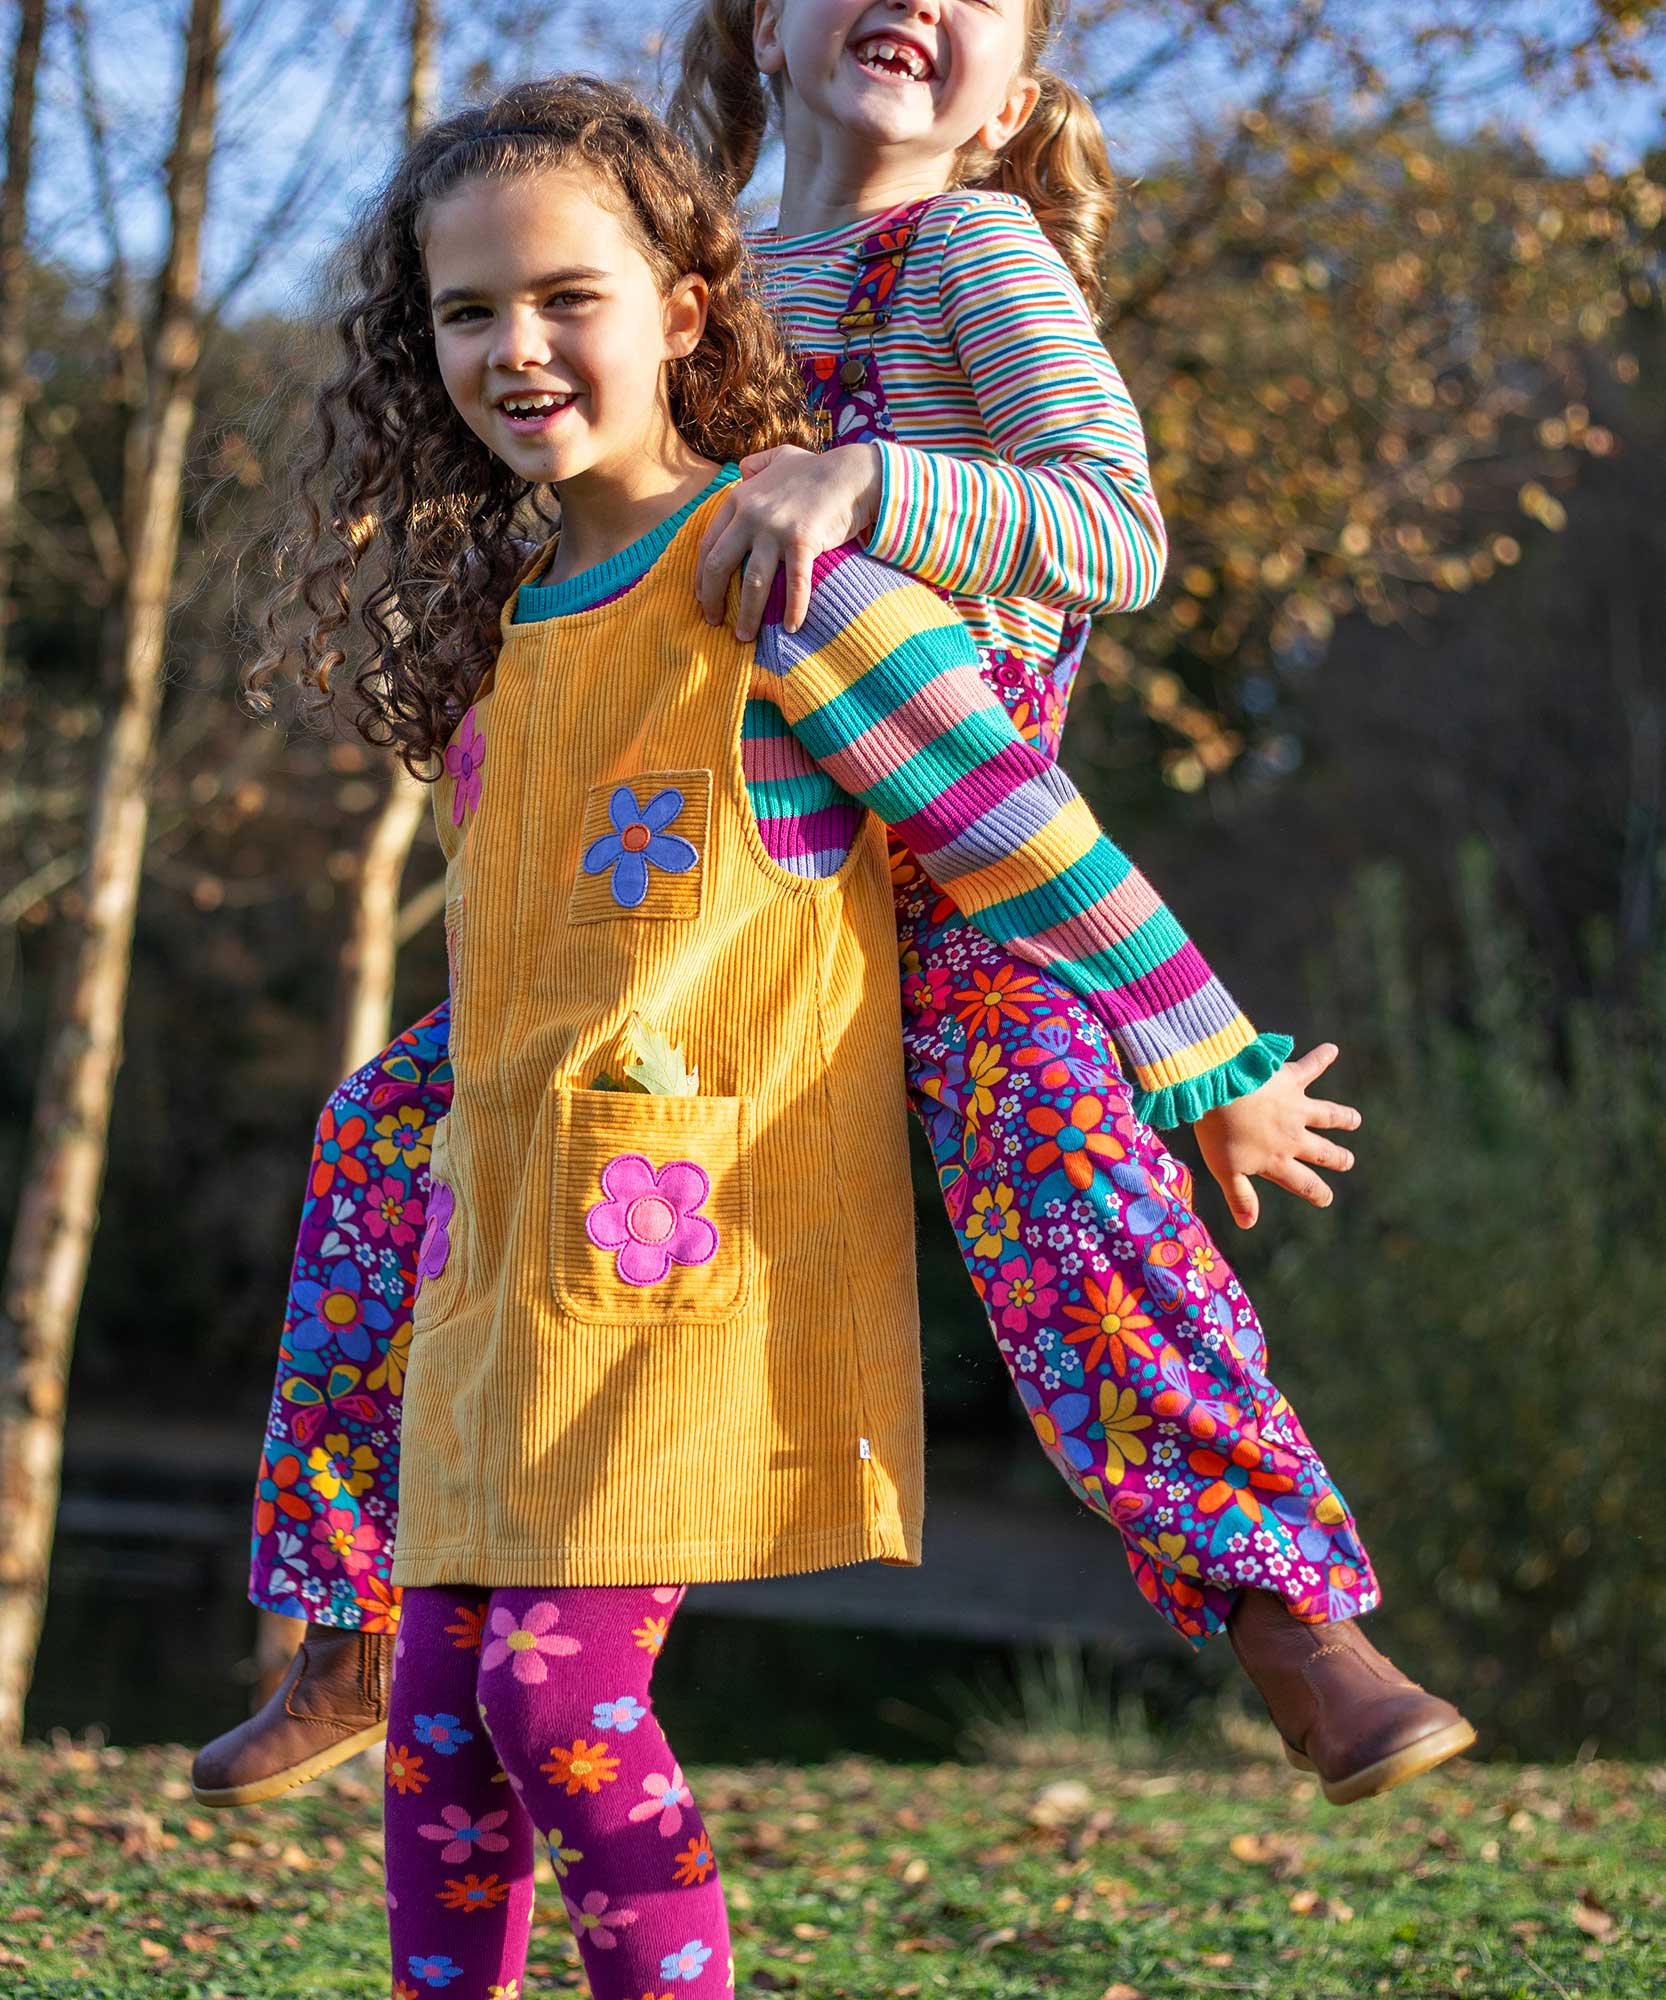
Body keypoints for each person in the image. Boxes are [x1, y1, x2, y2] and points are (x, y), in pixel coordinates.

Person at [194, 0, 1472, 1825]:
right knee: (391, 1135)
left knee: (1066, 1178)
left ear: (1013, 88)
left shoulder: (968, 242)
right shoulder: (679, 249)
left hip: (934, 818)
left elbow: (1113, 532)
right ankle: (351, 1614)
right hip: (717, 836)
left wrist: (865, 474)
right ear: (762, 32)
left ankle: (1289, 1616)